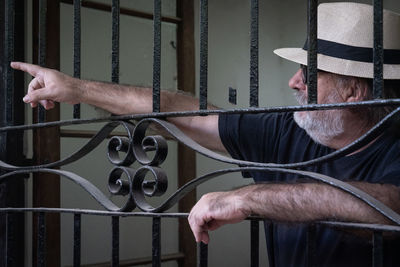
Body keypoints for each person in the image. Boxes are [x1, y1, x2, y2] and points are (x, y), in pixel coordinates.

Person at [11, 2, 400, 266]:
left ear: (354, 89)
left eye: (312, 74)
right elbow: (187, 113)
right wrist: (76, 89)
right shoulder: (286, 129)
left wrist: (251, 198)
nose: (295, 81)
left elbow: (389, 207)